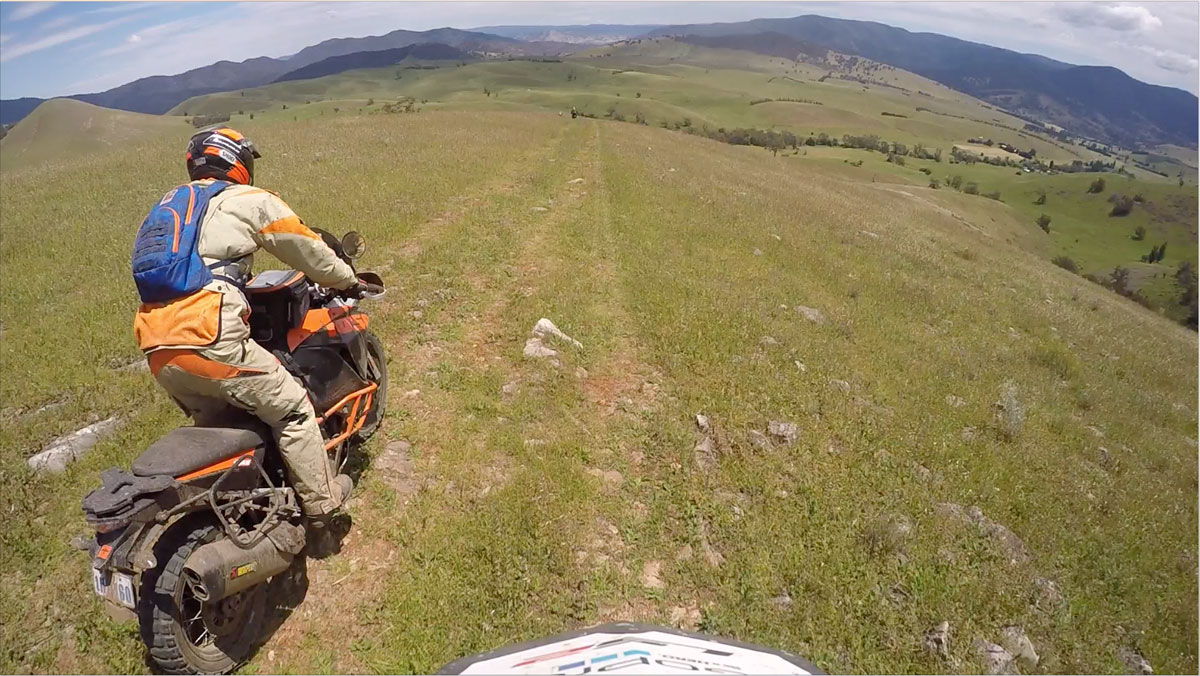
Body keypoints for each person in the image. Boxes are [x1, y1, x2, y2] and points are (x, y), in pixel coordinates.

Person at [133, 127, 363, 523]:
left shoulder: (169, 210)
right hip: (210, 336)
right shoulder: (246, 199)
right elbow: (306, 247)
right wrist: (347, 280)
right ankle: (322, 505)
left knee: (222, 423)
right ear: (236, 161)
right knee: (292, 409)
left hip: (157, 345)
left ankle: (241, 506)